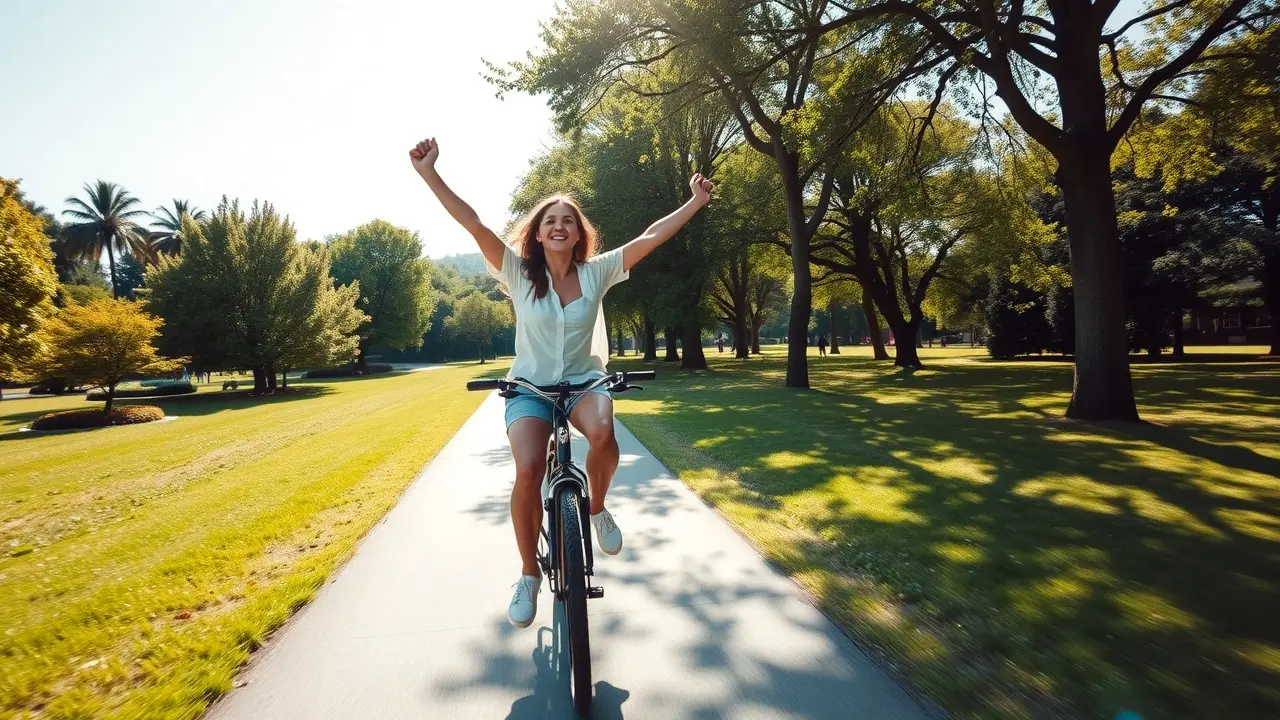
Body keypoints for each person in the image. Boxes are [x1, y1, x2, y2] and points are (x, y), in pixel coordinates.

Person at [409, 137, 714, 628]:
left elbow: (652, 237)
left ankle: (595, 510)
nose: (558, 225)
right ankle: (529, 573)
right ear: (537, 232)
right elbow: (473, 223)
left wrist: (696, 201)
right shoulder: (515, 269)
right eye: (549, 219)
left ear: (578, 235)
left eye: (567, 220)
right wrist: (429, 174)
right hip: (528, 388)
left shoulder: (598, 273)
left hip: (583, 383)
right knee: (529, 469)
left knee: (603, 433)